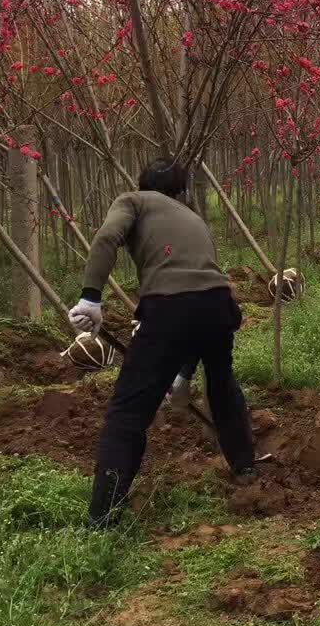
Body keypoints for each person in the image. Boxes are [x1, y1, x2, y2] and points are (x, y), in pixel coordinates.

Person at [68, 159, 257, 526]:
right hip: (219, 305)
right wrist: (184, 373)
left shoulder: (133, 201)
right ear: (180, 190)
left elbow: (107, 237)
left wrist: (91, 298)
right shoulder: (193, 217)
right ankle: (245, 465)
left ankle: (102, 516)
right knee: (221, 383)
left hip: (170, 308)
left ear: (141, 184)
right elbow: (198, 291)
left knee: (128, 412)